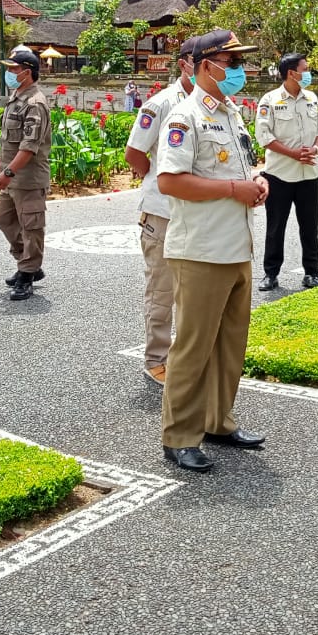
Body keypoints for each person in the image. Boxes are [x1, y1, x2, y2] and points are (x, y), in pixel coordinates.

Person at [158, 29, 269, 473]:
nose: (240, 70)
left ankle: (218, 422)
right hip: (201, 250)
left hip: (236, 246)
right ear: (207, 65)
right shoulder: (186, 117)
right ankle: (180, 436)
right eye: (233, 61)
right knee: (193, 346)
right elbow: (170, 180)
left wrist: (257, 180)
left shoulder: (231, 114)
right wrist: (232, 188)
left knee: (229, 344)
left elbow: (245, 163)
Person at [124, 37, 198, 384]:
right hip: (163, 213)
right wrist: (155, 179)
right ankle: (156, 357)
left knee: (195, 291)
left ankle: (187, 356)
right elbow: (135, 154)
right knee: (162, 289)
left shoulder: (214, 104)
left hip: (200, 213)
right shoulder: (161, 104)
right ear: (185, 63)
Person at [254, 52, 318, 292]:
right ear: (292, 73)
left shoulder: (312, 98)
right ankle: (270, 274)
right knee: (276, 227)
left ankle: (312, 273)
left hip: (308, 174)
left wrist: (315, 148)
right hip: (279, 174)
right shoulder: (270, 100)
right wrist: (293, 153)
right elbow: (264, 137)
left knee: (310, 226)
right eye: (305, 69)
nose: (308, 73)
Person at [0, 46, 52, 301]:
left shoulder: (35, 104)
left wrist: (8, 172)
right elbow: (10, 140)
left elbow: (29, 146)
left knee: (31, 226)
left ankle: (27, 273)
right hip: (11, 175)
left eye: (13, 69)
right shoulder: (17, 98)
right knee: (5, 220)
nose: (9, 73)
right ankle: (28, 263)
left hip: (27, 178)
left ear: (27, 73)